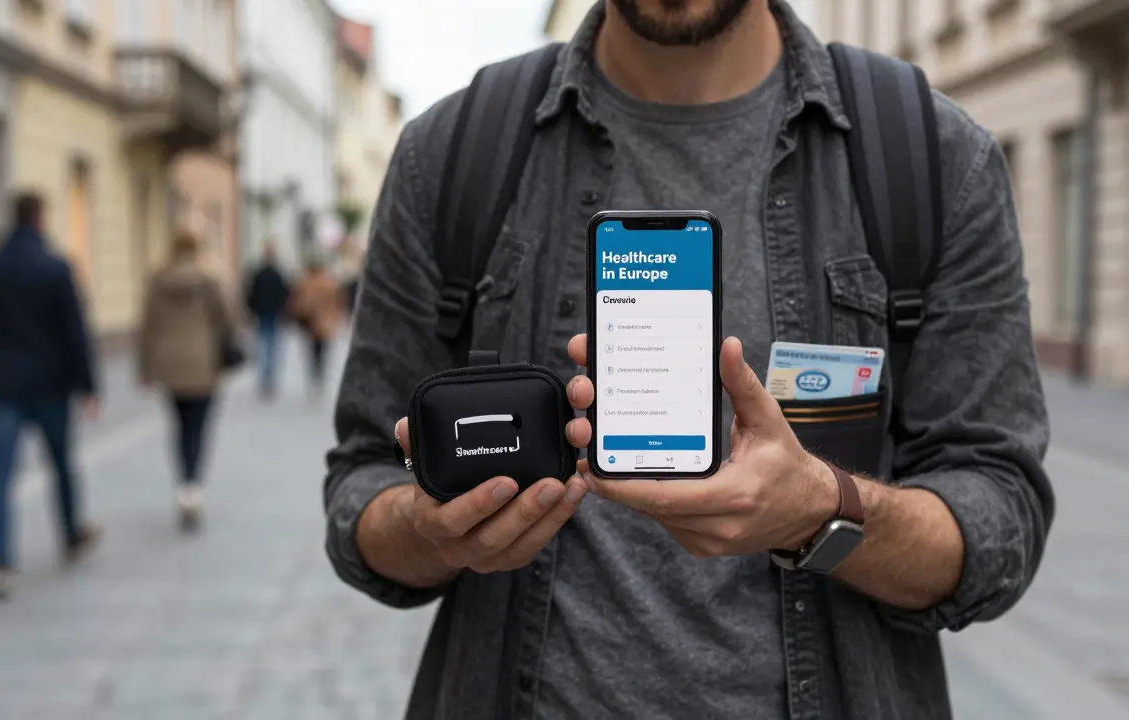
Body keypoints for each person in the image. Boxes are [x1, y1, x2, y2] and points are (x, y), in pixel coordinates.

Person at [324, 2, 1055, 719]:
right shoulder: (451, 154)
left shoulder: (931, 157)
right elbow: (361, 487)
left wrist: (820, 515)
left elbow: (1001, 520)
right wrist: (427, 532)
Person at [0, 192, 102, 601]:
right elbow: (75, 331)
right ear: (40, 219)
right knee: (60, 463)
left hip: (4, 383)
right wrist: (88, 386)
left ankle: (1, 562)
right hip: (51, 385)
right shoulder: (56, 268)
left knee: (2, 474)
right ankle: (71, 533)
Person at [138, 229, 234, 531]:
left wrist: (145, 368)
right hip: (203, 363)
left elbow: (147, 324)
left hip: (169, 365)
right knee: (199, 426)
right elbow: (228, 317)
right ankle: (193, 486)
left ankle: (183, 483)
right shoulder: (208, 278)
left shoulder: (158, 278)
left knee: (179, 426)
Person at [288, 258, 345, 395]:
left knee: (312, 351)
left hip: (311, 322)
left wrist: (298, 313)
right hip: (325, 322)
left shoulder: (306, 282)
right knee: (322, 349)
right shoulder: (329, 282)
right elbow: (338, 301)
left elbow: (299, 301)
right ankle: (319, 375)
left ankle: (315, 375)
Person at [245, 241, 291, 399]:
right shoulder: (279, 274)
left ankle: (264, 378)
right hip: (274, 315)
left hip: (262, 314)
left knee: (262, 347)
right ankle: (269, 379)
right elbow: (285, 295)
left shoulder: (258, 273)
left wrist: (251, 311)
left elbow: (250, 294)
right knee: (272, 348)